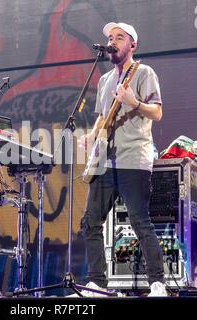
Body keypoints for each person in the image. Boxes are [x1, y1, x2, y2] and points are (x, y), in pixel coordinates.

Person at [78, 22, 167, 297]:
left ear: (132, 45)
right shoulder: (105, 80)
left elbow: (157, 112)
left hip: (133, 158)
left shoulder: (144, 73)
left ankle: (157, 284)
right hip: (106, 161)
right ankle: (96, 283)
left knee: (140, 221)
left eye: (120, 37)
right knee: (90, 222)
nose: (113, 41)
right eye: (110, 38)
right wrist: (91, 136)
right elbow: (102, 117)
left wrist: (134, 102)